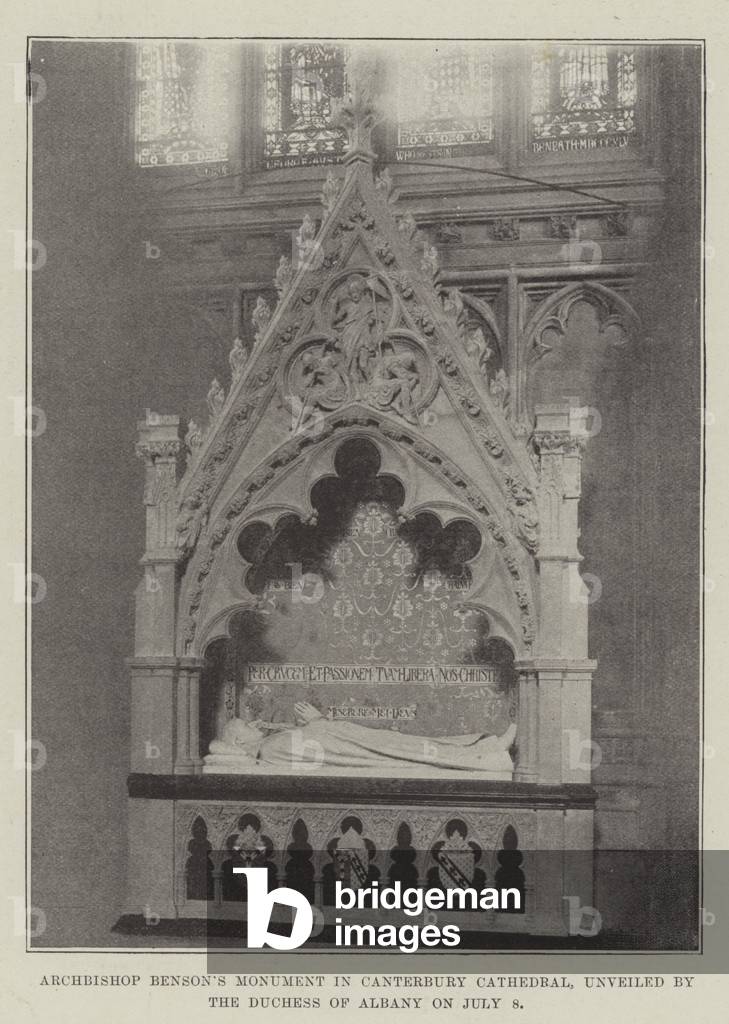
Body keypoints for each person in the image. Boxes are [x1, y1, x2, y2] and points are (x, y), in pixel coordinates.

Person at [203, 699, 516, 776]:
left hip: (358, 741)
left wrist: (316, 723)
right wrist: (319, 721)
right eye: (244, 723)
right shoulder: (273, 747)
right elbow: (327, 747)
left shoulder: (273, 744)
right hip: (360, 749)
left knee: (409, 745)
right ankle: (485, 755)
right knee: (406, 750)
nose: (253, 721)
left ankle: (484, 748)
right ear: (239, 743)